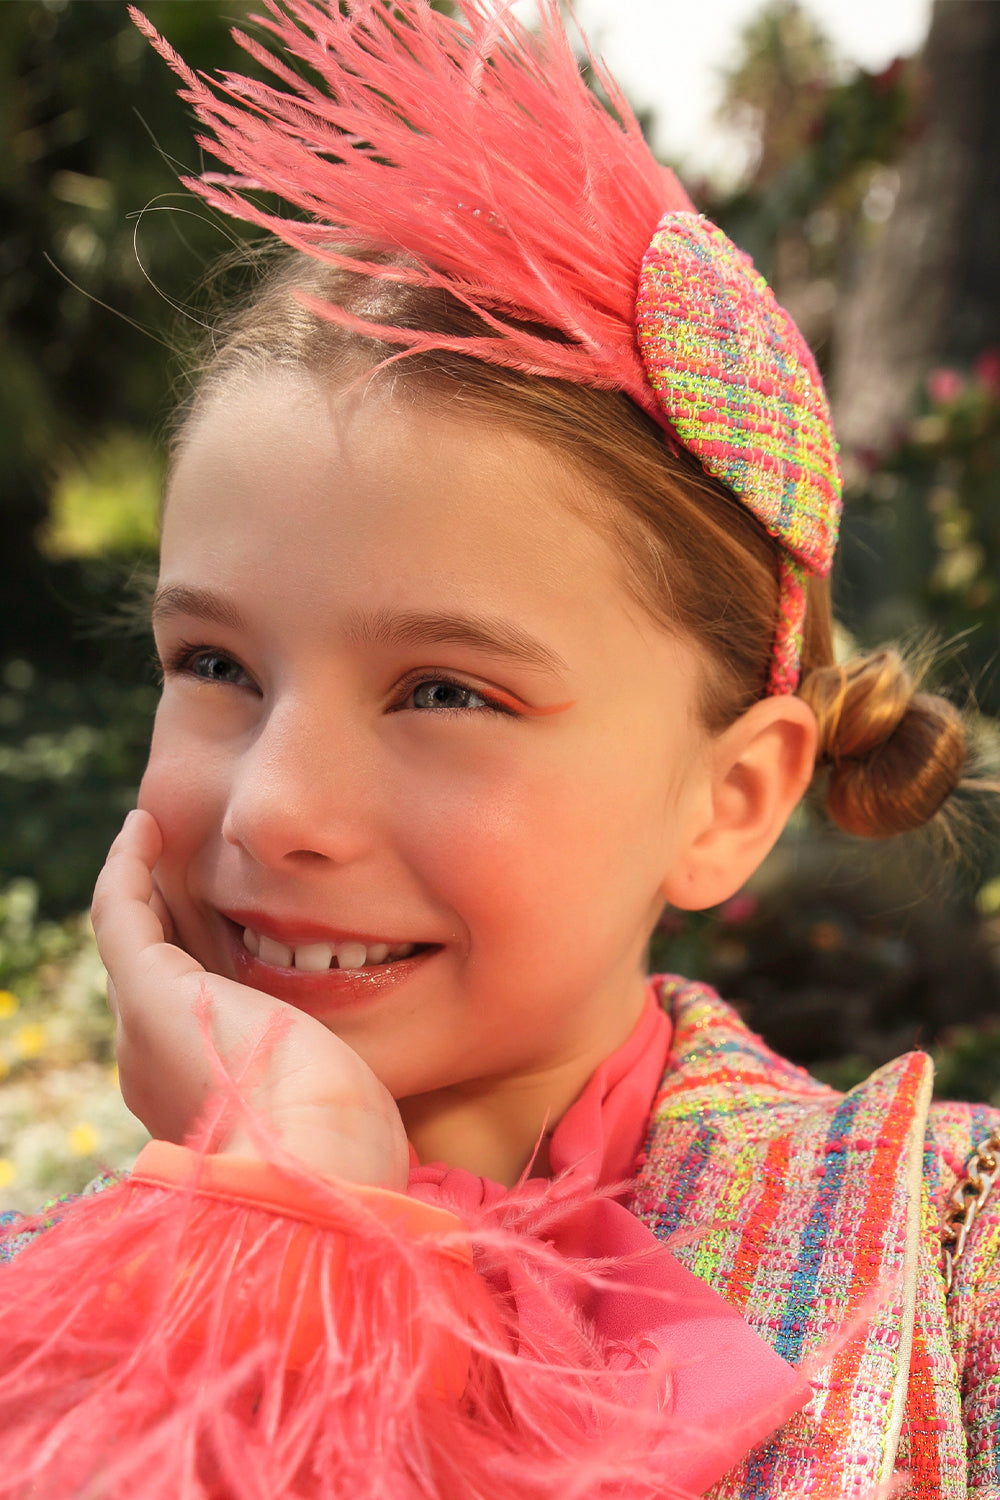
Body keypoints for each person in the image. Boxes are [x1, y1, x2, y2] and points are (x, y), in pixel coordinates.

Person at [1, 2, 997, 1496]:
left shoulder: (956, 1264)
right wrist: (280, 1214)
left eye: (446, 693)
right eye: (214, 664)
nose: (275, 810)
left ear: (729, 800)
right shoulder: (36, 1296)